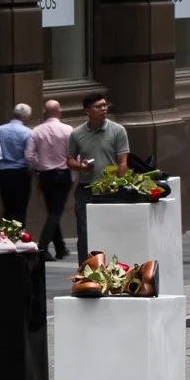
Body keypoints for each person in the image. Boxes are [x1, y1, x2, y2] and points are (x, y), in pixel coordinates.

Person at [65, 92, 130, 259]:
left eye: (104, 105)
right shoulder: (77, 133)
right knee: (84, 232)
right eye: (98, 106)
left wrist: (120, 184)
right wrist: (81, 166)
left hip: (110, 189)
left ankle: (111, 266)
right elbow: (70, 160)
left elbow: (122, 161)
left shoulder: (117, 130)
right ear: (87, 111)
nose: (103, 109)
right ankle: (85, 268)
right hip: (86, 189)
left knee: (110, 230)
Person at [25, 98, 75, 259]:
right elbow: (74, 153)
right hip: (63, 173)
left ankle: (60, 248)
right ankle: (42, 247)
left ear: (44, 112)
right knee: (56, 212)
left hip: (45, 175)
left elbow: (29, 155)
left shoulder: (36, 131)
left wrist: (39, 165)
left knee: (53, 211)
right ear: (59, 111)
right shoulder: (68, 130)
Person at [0, 102, 35, 238]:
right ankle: (18, 237)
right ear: (27, 117)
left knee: (7, 207)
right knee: (20, 208)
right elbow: (29, 155)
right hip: (21, 172)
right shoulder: (28, 132)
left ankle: (3, 237)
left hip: (3, 172)